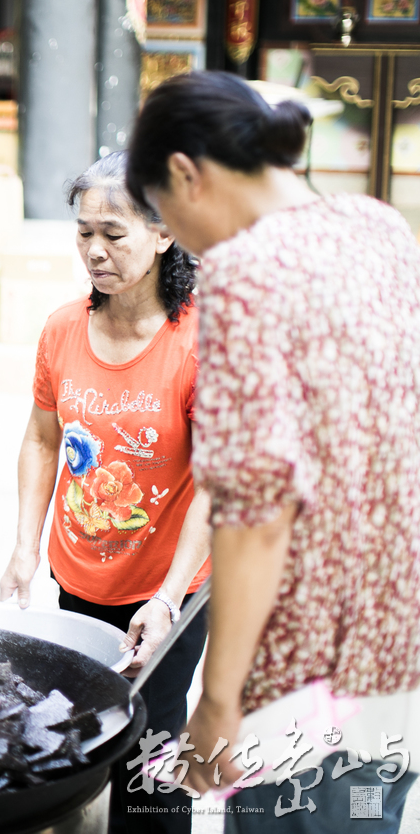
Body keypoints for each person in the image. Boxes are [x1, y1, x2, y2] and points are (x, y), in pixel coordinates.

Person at [127, 71, 420, 829]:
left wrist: (218, 701)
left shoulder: (244, 272)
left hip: (306, 681)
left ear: (186, 174)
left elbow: (257, 510)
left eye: (165, 213)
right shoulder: (379, 225)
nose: (181, 244)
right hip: (400, 650)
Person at [0, 151, 212, 832]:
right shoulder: (64, 328)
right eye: (84, 232)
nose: (95, 251)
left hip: (169, 589)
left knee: (150, 751)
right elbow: (42, 438)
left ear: (164, 233)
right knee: (87, 732)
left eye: (114, 234)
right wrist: (25, 547)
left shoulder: (201, 343)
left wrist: (169, 598)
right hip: (82, 575)